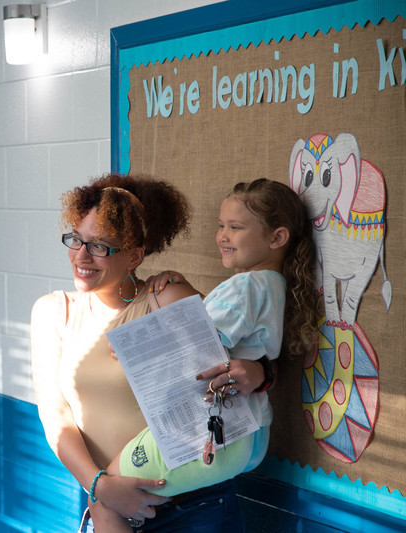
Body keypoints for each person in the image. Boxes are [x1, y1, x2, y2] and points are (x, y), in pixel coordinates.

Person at [30, 174, 271, 533]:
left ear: (134, 255)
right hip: (109, 504)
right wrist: (101, 487)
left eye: (99, 246)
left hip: (191, 505)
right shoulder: (54, 312)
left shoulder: (164, 298)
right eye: (76, 240)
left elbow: (233, 362)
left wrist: (263, 373)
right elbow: (55, 414)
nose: (82, 255)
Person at [92, 178, 319, 532]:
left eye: (236, 227)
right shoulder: (273, 287)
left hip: (217, 432)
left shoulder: (245, 286)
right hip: (248, 434)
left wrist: (143, 350)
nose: (223, 236)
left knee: (104, 497)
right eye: (221, 226)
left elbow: (199, 341)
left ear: (277, 238)